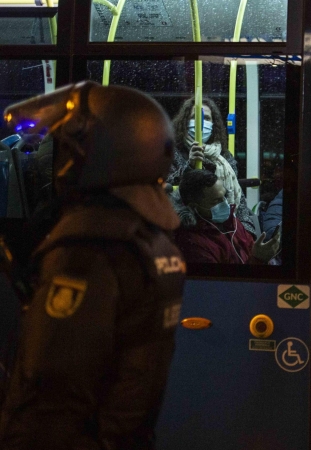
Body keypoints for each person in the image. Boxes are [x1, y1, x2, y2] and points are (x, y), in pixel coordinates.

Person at [0, 81, 186, 448]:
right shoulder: (150, 239)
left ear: (102, 152)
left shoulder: (88, 252)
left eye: (71, 149)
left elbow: (51, 394)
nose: (63, 163)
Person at [167, 97, 258, 237]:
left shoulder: (224, 156)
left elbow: (237, 198)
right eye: (194, 117)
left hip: (224, 228)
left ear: (214, 124)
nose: (201, 123)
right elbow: (169, 190)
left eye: (207, 118)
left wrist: (248, 234)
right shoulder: (173, 153)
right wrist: (189, 165)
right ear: (184, 122)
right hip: (189, 230)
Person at [171, 164, 279, 264]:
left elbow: (250, 248)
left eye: (225, 196)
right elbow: (224, 283)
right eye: (216, 201)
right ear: (194, 207)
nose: (225, 203)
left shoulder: (231, 222)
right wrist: (258, 260)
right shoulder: (193, 244)